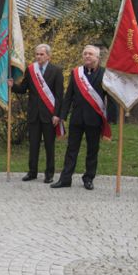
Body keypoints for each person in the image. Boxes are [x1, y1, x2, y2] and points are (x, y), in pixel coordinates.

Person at [52, 45, 114, 190]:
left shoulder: (105, 74)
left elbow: (110, 97)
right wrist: (63, 114)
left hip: (94, 119)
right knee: (71, 149)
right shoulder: (76, 73)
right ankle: (65, 179)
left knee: (92, 150)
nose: (87, 56)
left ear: (97, 57)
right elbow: (69, 96)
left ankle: (88, 178)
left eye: (90, 54)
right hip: (77, 118)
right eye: (85, 53)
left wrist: (111, 117)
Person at [10, 43, 64, 183]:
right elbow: (23, 88)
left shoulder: (56, 71)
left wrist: (57, 115)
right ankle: (32, 172)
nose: (38, 57)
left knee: (49, 146)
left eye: (41, 54)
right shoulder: (31, 70)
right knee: (33, 145)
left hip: (49, 115)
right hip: (34, 114)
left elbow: (59, 96)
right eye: (37, 54)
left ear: (48, 56)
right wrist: (12, 86)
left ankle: (49, 173)